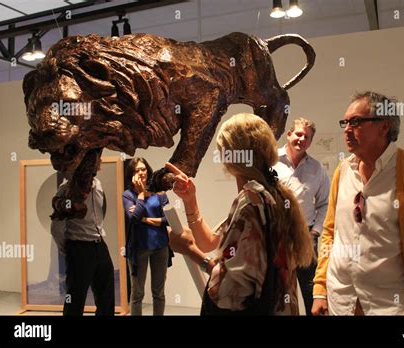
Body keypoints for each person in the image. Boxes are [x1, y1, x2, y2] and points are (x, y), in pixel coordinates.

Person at [312, 91, 404, 316]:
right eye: (345, 122)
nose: (347, 129)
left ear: (384, 126)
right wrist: (320, 289)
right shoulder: (342, 171)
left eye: (356, 122)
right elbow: (330, 232)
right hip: (341, 301)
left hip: (391, 307)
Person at [167, 113, 314, 315]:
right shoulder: (273, 194)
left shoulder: (250, 202)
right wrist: (190, 200)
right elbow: (210, 241)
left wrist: (190, 251)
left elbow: (231, 290)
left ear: (231, 157)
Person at [273, 118, 330, 315]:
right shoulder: (270, 160)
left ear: (310, 142)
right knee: (277, 291)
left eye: (307, 137)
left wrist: (315, 232)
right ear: (288, 135)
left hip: (306, 236)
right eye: (298, 134)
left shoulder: (317, 169)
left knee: (309, 290)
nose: (301, 139)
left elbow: (325, 203)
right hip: (275, 236)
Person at [51, 152, 115, 316]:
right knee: (75, 297)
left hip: (99, 244)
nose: (100, 160)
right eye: (96, 157)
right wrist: (68, 249)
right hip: (79, 247)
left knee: (106, 296)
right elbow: (57, 226)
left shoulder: (98, 184)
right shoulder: (66, 189)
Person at [122, 157, 170, 316]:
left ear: (148, 170)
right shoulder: (128, 195)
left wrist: (144, 219)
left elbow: (168, 220)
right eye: (136, 170)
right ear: (131, 174)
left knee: (159, 292)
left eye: (143, 169)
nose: (140, 172)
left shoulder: (159, 193)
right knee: (137, 294)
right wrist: (141, 193)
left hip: (160, 247)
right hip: (138, 249)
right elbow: (134, 218)